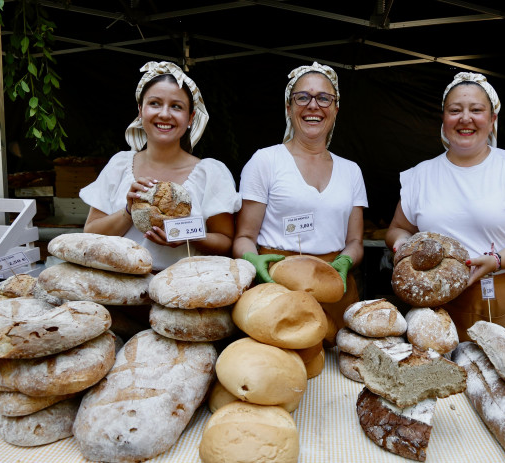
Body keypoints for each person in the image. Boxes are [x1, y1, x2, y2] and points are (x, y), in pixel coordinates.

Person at [385, 72, 505, 341]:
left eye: (476, 110)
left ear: (492, 120)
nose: (465, 118)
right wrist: (403, 244)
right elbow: (398, 228)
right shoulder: (420, 176)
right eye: (455, 110)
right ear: (444, 120)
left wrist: (497, 260)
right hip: (438, 304)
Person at [233, 61, 368, 340]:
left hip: (334, 290)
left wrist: (345, 261)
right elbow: (244, 235)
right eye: (302, 97)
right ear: (288, 107)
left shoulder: (351, 171)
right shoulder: (265, 161)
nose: (313, 106)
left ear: (336, 109)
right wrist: (253, 262)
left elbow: (355, 241)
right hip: (278, 287)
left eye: (324, 98)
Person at [80, 61, 241, 271]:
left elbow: (225, 241)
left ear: (191, 117)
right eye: (155, 103)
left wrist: (185, 237)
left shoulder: (210, 173)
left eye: (176, 106)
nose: (165, 114)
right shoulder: (119, 165)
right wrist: (129, 210)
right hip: (120, 289)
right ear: (140, 110)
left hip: (184, 290)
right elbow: (90, 234)